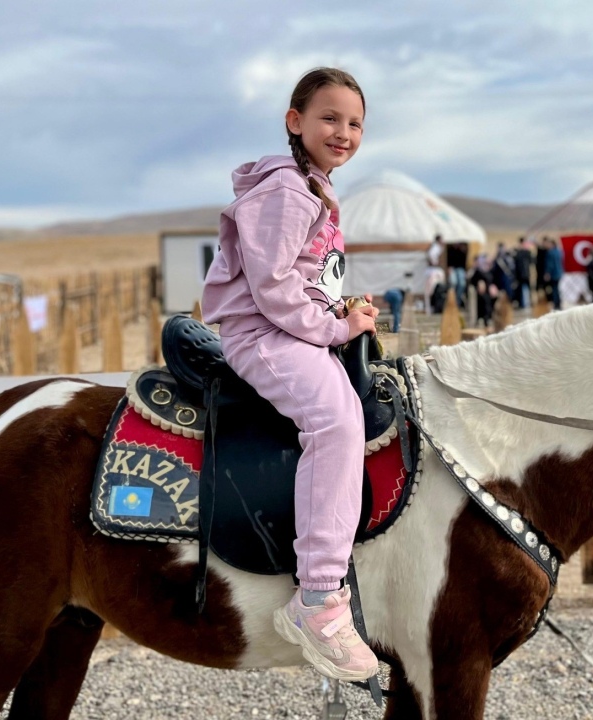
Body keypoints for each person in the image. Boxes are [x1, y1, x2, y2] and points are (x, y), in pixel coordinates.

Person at [201, 67, 379, 682]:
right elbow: (274, 286)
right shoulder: (286, 190)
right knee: (335, 422)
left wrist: (341, 311)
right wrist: (334, 329)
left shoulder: (313, 187)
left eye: (355, 123)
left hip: (289, 328)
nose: (344, 132)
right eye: (330, 118)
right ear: (295, 121)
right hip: (264, 334)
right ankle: (318, 597)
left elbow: (306, 277)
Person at [424, 234, 445, 313]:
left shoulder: (439, 248)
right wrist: (434, 262)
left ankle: (435, 307)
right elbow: (431, 256)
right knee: (430, 291)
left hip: (436, 271)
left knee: (437, 290)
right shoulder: (435, 248)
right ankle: (431, 308)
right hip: (433, 271)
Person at [445, 239, 469, 308]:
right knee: (453, 282)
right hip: (452, 268)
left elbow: (464, 262)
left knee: (462, 284)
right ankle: (451, 300)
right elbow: (447, 260)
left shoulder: (462, 250)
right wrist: (448, 268)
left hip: (460, 268)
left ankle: (457, 301)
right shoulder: (450, 250)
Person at [542, 237, 564, 310]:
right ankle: (558, 304)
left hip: (554, 274)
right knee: (557, 289)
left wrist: (547, 273)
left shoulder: (550, 253)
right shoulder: (559, 251)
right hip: (559, 273)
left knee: (554, 289)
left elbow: (550, 264)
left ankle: (556, 304)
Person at [513, 236, 534, 309]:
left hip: (525, 274)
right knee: (521, 290)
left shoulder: (525, 252)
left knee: (527, 289)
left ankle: (527, 303)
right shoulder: (519, 253)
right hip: (521, 274)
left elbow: (531, 262)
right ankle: (522, 303)